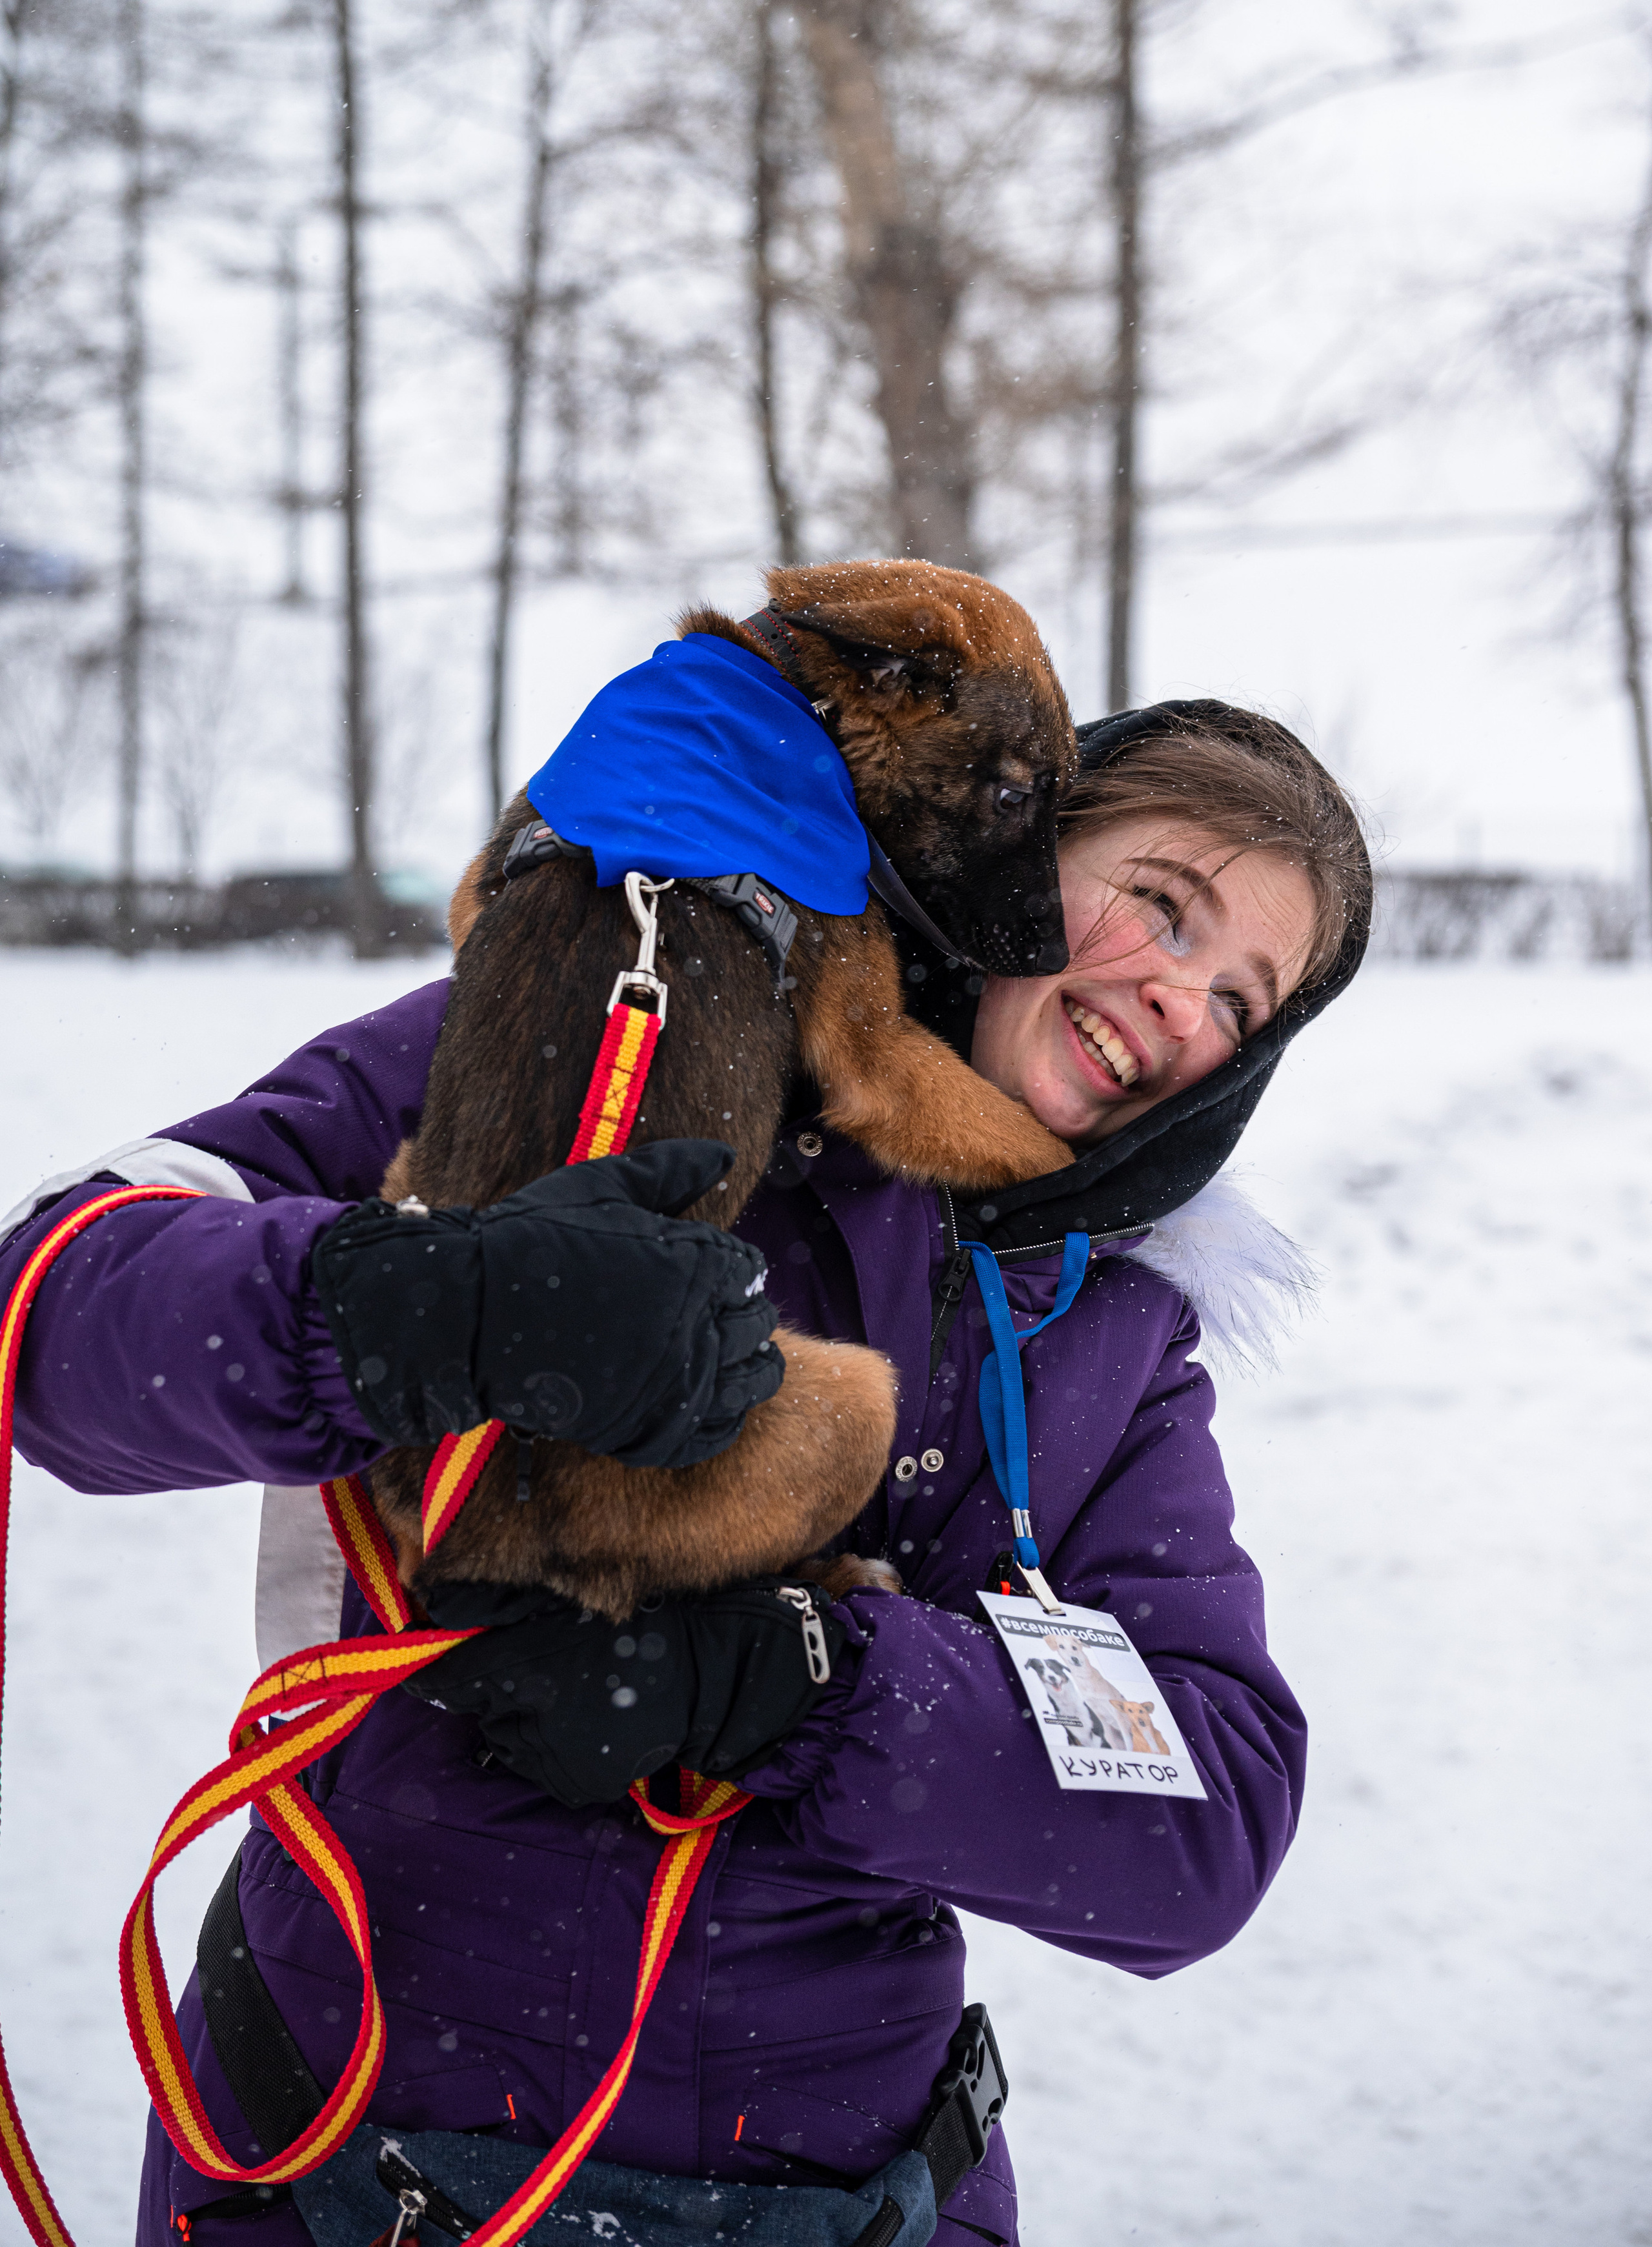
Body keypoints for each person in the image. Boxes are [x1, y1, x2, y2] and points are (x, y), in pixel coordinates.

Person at [0, 696, 1370, 2246]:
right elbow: (48, 1311)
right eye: (1161, 904)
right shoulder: (595, 1026)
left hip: (844, 2192)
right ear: (1012, 858)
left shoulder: (1115, 1341)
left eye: (1241, 1000)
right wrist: (418, 1305)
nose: (1178, 998)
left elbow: (1200, 1820)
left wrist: (807, 1687)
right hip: (342, 2144)